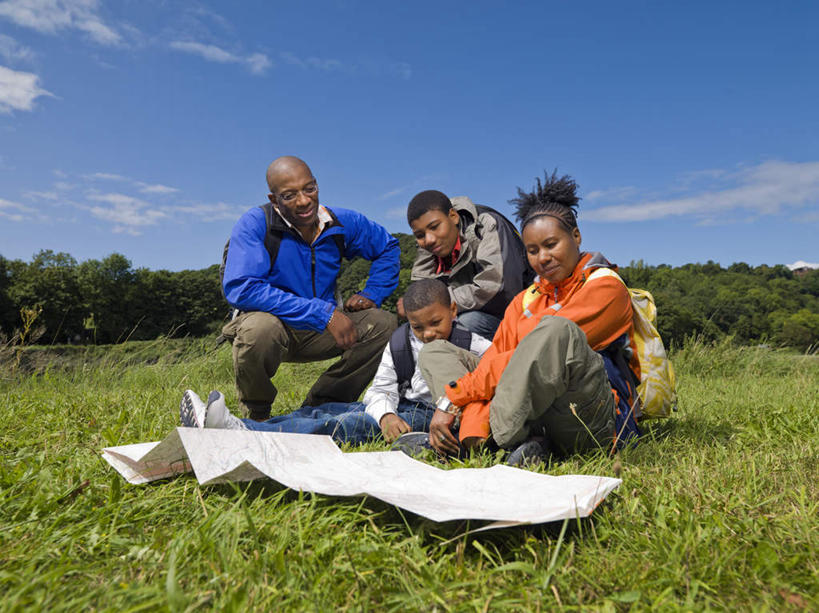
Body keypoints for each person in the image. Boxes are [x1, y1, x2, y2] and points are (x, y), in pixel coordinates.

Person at [415, 171, 641, 465]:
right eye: (532, 251)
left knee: (555, 332)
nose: (542, 258)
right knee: (436, 352)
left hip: (588, 417)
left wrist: (454, 398)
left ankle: (488, 440)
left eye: (551, 244)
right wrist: (473, 423)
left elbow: (527, 355)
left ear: (576, 236)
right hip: (526, 412)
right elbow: (492, 363)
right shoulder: (525, 299)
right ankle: (476, 439)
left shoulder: (606, 287)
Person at [180, 279, 492, 445]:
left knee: (339, 425)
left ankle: (242, 433)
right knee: (326, 410)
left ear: (453, 311)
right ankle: (241, 425)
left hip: (432, 417)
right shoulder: (400, 343)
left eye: (436, 322)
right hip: (400, 409)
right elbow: (379, 390)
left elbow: (494, 379)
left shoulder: (475, 347)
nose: (428, 334)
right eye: (418, 327)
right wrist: (385, 416)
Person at [220, 156, 399, 421]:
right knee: (259, 330)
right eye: (289, 195)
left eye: (309, 189)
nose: (304, 201)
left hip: (322, 330)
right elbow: (242, 288)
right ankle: (257, 416)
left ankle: (320, 408)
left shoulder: (343, 223)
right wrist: (322, 314)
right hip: (274, 325)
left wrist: (372, 293)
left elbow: (388, 247)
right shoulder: (255, 224)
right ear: (274, 200)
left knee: (384, 324)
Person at [401, 190, 531, 341]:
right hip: (461, 313)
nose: (429, 239)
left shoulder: (486, 225)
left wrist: (439, 301)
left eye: (435, 227)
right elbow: (422, 300)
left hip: (515, 319)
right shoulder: (429, 249)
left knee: (466, 325)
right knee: (406, 334)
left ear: (453, 216)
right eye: (420, 235)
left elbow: (496, 288)